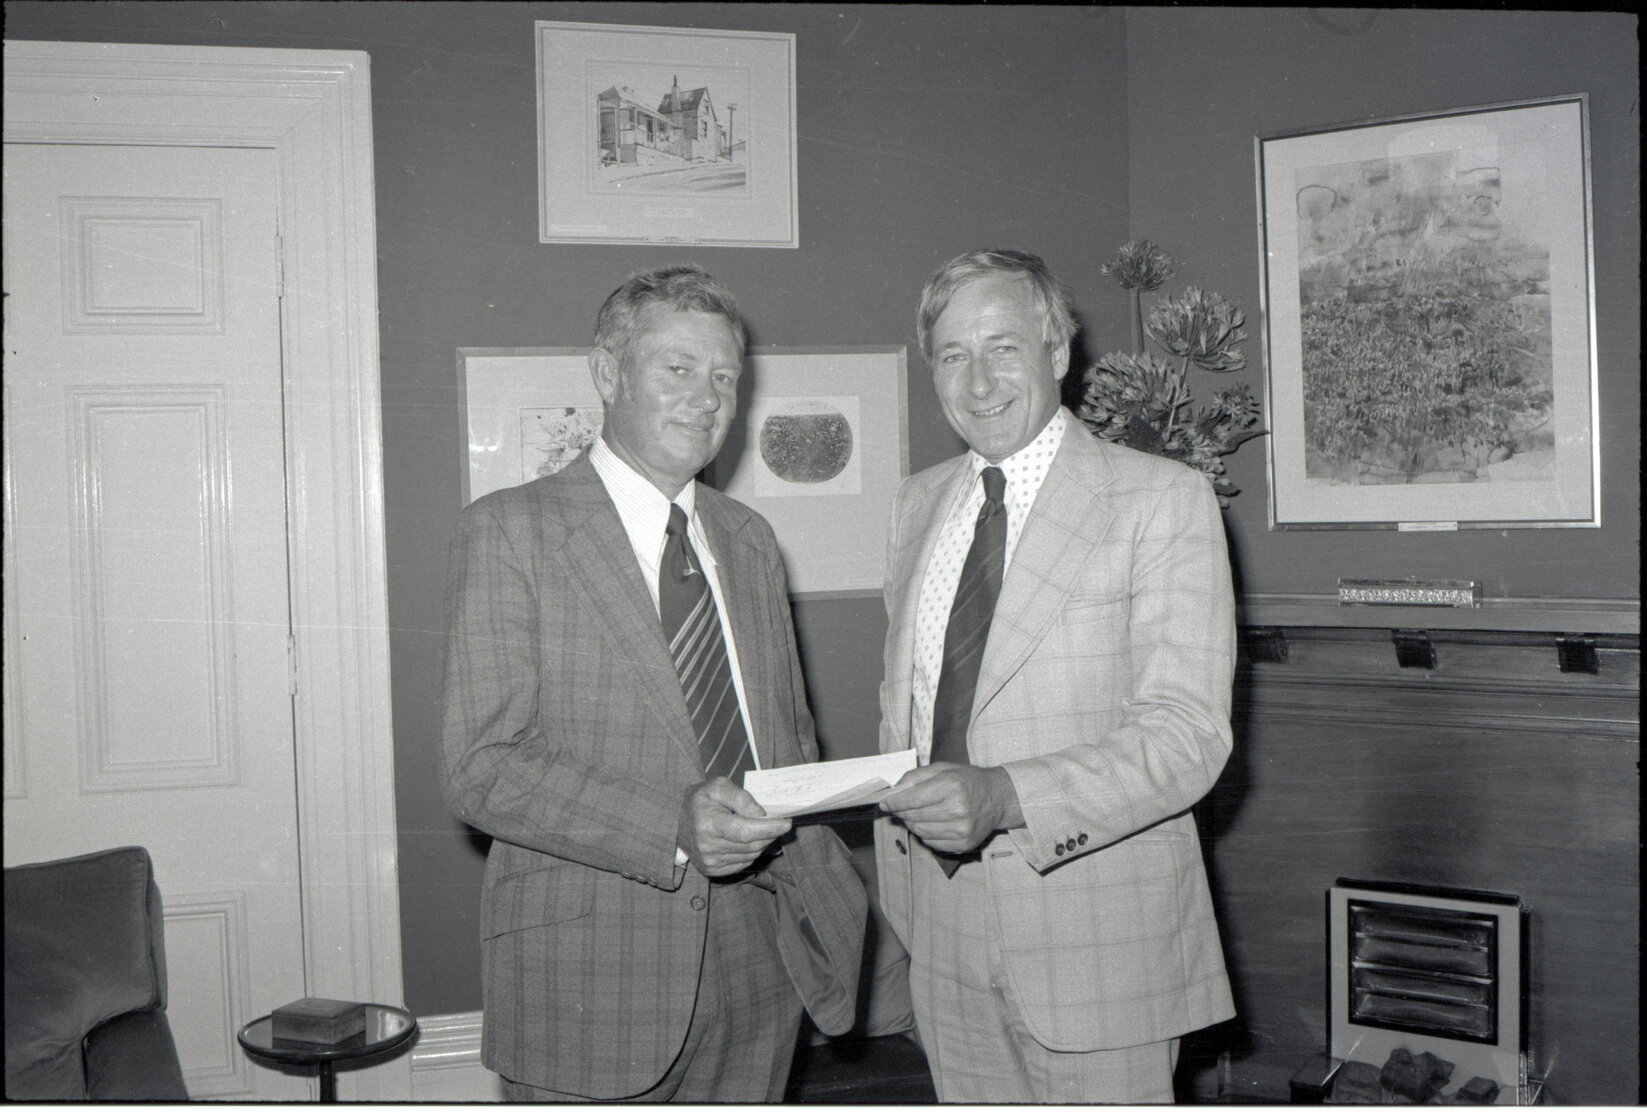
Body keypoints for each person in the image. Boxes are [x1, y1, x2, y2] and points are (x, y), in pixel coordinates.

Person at [440, 265, 866, 1102]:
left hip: (760, 959)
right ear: (608, 373)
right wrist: (672, 825)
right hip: (591, 977)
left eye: (723, 377)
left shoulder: (748, 539)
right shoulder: (509, 530)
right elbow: (480, 766)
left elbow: (787, 737)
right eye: (677, 368)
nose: (706, 398)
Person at [874, 248, 1236, 1103]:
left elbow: (1187, 736)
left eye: (1003, 347)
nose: (978, 380)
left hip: (1097, 937)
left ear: (1058, 351)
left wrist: (1004, 796)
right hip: (940, 928)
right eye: (952, 355)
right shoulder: (915, 503)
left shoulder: (1160, 497)